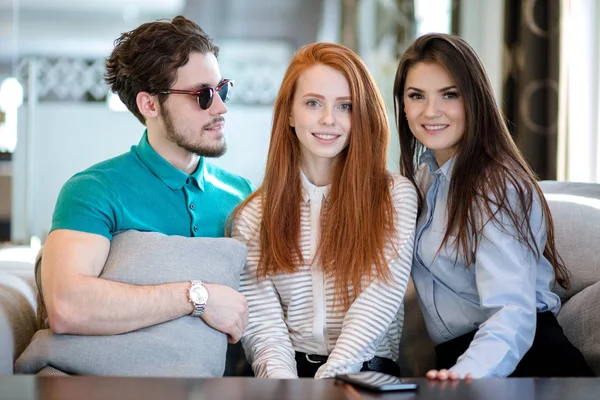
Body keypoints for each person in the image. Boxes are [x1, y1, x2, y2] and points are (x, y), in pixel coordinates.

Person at [39, 16, 251, 347]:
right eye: (203, 95)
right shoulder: (93, 190)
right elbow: (67, 307)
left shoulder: (241, 195)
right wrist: (198, 297)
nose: (221, 107)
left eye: (222, 89)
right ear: (149, 103)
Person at [393, 33, 594, 379]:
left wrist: (468, 371)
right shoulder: (424, 180)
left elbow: (512, 310)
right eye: (416, 96)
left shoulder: (495, 184)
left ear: (475, 100)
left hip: (524, 365)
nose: (430, 111)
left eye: (449, 95)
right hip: (460, 362)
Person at [230, 42, 418, 379]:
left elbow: (378, 302)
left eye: (345, 105)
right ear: (289, 112)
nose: (329, 119)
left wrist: (330, 378)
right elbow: (264, 328)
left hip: (367, 374)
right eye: (313, 103)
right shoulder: (254, 215)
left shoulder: (394, 197)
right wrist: (287, 389)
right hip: (286, 381)